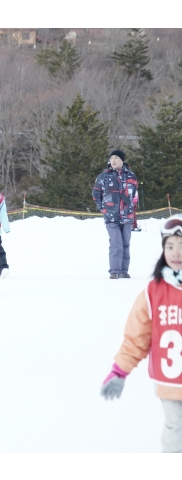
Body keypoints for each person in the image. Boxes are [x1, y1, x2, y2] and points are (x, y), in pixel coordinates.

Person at [100, 214, 182, 452]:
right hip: (171, 380)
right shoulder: (153, 292)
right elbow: (137, 338)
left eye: (181, 247)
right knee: (175, 430)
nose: (176, 252)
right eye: (170, 247)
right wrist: (119, 371)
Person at [92, 150, 138, 279]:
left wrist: (131, 211)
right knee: (116, 243)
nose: (113, 160)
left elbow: (134, 196)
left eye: (116, 158)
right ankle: (114, 270)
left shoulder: (131, 176)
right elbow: (96, 194)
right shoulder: (103, 176)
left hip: (127, 216)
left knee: (125, 244)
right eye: (111, 158)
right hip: (111, 217)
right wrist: (103, 208)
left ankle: (123, 270)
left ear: (122, 160)